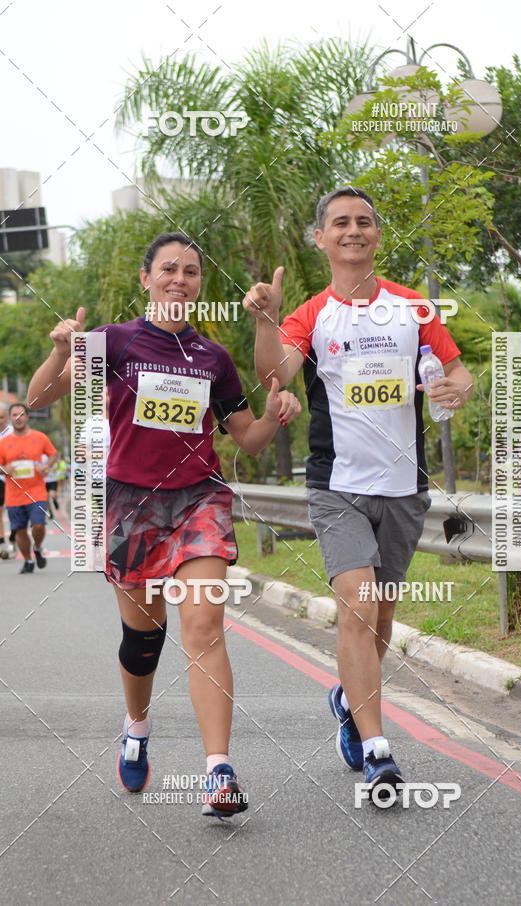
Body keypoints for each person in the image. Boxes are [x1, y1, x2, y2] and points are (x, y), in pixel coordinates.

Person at [27, 231, 301, 817]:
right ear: (146, 279)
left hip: (199, 500)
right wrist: (58, 351)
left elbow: (248, 440)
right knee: (143, 640)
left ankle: (218, 772)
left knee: (203, 628)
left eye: (192, 271)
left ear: (200, 285)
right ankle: (137, 726)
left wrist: (277, 412)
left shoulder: (214, 358)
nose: (180, 278)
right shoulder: (114, 342)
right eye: (169, 269)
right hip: (132, 506)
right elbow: (42, 396)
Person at [244, 186, 474, 799]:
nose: (353, 230)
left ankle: (348, 697)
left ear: (377, 234)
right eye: (340, 223)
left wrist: (457, 388)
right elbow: (275, 374)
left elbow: (456, 369)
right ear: (321, 238)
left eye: (364, 222)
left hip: (402, 487)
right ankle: (379, 750)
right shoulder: (312, 314)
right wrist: (267, 320)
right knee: (357, 602)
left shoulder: (414, 308)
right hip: (337, 484)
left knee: (381, 618)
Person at [0, 403, 58, 573]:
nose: (18, 418)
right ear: (10, 418)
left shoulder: (39, 437)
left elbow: (54, 454)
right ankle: (28, 560)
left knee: (38, 526)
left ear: (27, 417)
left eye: (21, 414)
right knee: (19, 530)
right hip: (14, 494)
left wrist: (47, 465)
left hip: (36, 492)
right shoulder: (4, 443)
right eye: (14, 415)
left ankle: (38, 547)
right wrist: (5, 469)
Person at [0, 401, 14, 558]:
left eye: (1, 417)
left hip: (13, 478)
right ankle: (3, 544)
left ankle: (13, 537)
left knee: (13, 512)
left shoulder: (12, 433)